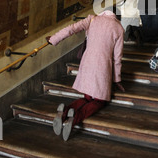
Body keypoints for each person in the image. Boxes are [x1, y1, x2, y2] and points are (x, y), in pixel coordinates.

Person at [46, 10, 124, 141]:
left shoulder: (93, 19)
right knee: (99, 101)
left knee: (87, 98)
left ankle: (65, 112)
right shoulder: (118, 28)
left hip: (87, 62)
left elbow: (71, 29)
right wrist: (116, 79)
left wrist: (53, 39)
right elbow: (117, 58)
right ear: (116, 17)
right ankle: (75, 118)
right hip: (103, 65)